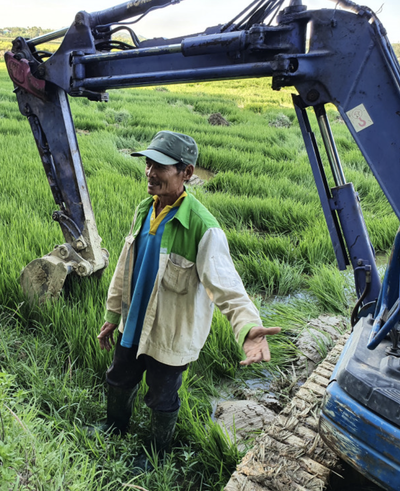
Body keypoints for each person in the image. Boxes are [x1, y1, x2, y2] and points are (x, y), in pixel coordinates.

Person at [95, 130, 281, 471]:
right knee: (119, 377)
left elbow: (226, 285)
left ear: (187, 173)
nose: (150, 172)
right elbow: (125, 265)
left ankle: (156, 453)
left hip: (170, 333)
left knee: (162, 397)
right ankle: (114, 426)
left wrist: (248, 327)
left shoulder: (203, 227)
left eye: (161, 166)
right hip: (132, 323)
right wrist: (113, 312)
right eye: (149, 163)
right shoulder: (144, 208)